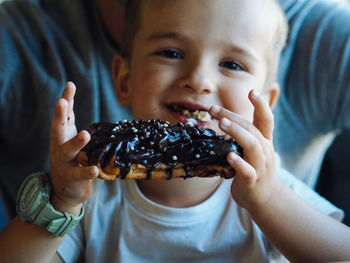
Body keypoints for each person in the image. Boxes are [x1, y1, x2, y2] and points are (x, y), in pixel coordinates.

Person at [1, 0, 350, 262]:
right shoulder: (91, 194)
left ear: (266, 103)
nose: (198, 80)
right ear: (124, 79)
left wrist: (271, 199)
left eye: (232, 64)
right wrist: (61, 202)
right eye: (170, 53)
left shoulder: (269, 191)